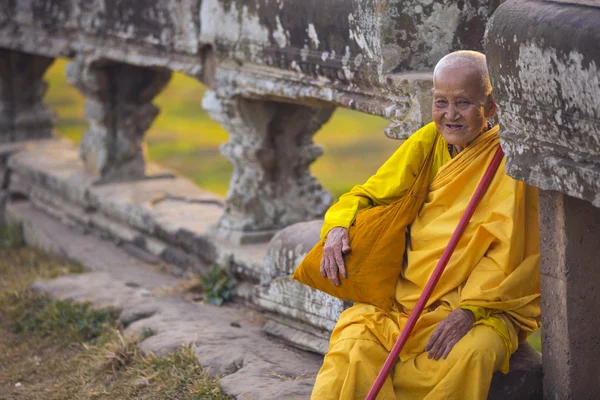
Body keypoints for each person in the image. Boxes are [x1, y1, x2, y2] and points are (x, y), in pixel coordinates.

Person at [311, 50, 541, 399]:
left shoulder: (508, 163)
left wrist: (470, 311)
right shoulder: (428, 142)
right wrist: (338, 229)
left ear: (490, 106)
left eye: (463, 103)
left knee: (474, 353)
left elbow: (512, 254)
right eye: (441, 102)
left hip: (477, 308)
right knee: (353, 342)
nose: (450, 115)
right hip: (403, 303)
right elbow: (367, 196)